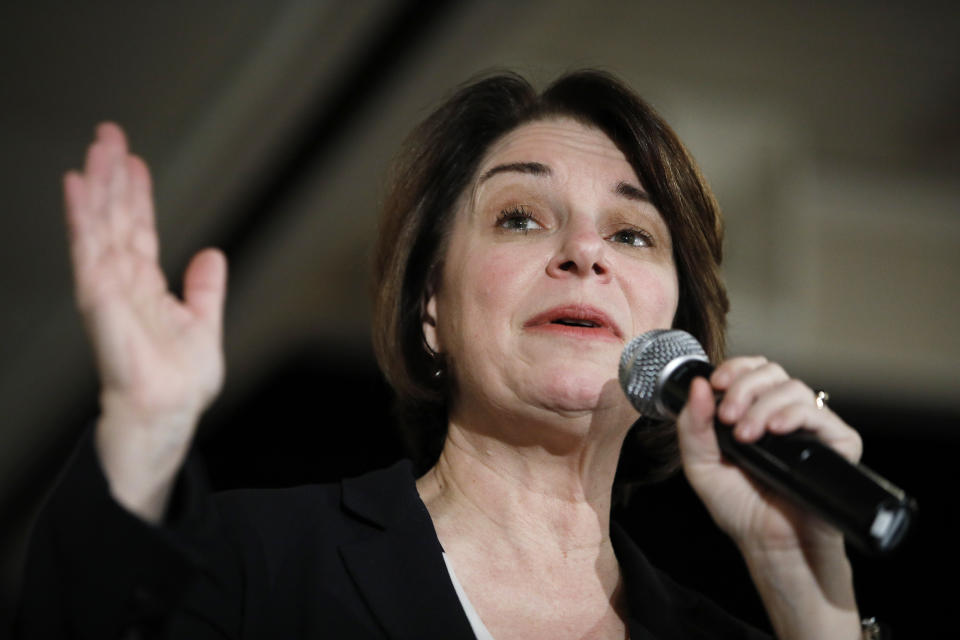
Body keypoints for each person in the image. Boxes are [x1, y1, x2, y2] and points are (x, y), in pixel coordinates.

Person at [16, 70, 868, 639]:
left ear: (681, 323)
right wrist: (144, 432)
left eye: (633, 232)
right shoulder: (263, 563)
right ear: (432, 309)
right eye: (521, 217)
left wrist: (801, 583)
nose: (585, 253)